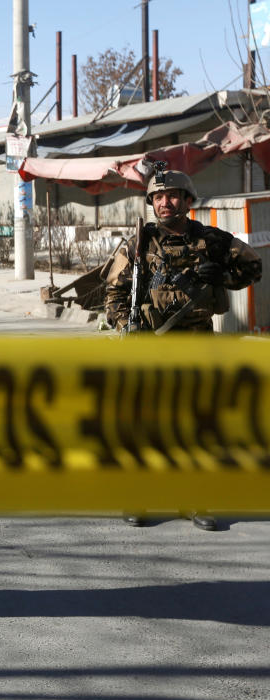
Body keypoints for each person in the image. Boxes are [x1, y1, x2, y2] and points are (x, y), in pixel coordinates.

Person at [105, 168, 262, 531]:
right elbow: (113, 293)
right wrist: (125, 327)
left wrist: (221, 277)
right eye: (158, 197)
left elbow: (253, 266)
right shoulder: (138, 245)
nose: (165, 202)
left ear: (188, 201)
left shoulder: (212, 240)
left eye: (173, 195)